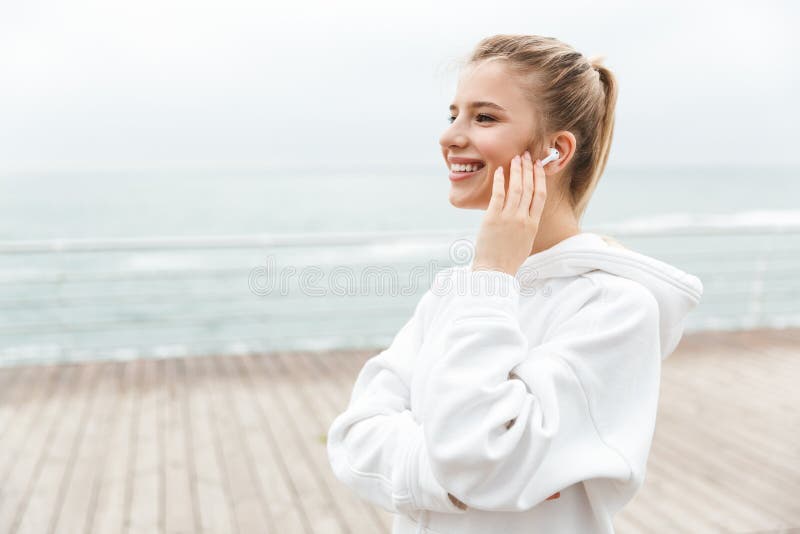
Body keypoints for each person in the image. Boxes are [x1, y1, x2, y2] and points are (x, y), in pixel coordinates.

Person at [326, 34, 704, 534]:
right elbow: (355, 439)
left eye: (483, 117)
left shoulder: (616, 308)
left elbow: (480, 457)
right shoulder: (453, 292)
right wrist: (460, 478)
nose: (451, 136)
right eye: (453, 114)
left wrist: (492, 279)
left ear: (555, 150)